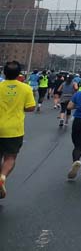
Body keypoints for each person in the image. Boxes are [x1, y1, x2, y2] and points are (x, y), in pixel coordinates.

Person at [0, 61, 36, 199]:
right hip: (14, 130)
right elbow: (31, 107)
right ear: (19, 74)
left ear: (4, 72)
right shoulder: (26, 88)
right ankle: (2, 177)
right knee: (10, 157)